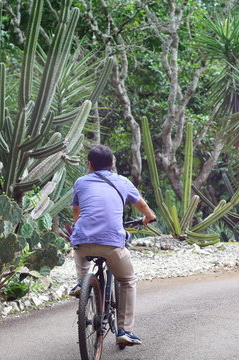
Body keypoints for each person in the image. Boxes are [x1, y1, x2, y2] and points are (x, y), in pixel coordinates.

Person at [69, 145, 156, 346]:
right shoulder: (122, 182)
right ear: (113, 163)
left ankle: (82, 282)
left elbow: (77, 211)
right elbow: (142, 206)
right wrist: (149, 217)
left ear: (89, 165)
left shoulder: (81, 182)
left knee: (78, 244)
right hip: (112, 244)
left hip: (84, 242)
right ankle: (124, 330)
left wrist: (80, 225)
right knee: (127, 280)